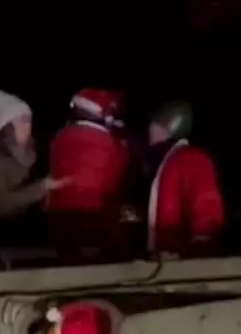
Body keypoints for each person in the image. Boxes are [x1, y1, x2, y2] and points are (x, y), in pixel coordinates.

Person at [0, 90, 67, 268]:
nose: (28, 126)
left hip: (11, 229)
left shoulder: (29, 151)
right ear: (7, 127)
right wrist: (42, 187)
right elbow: (1, 206)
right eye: (22, 121)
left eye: (29, 119)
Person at [47, 89, 131, 260]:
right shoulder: (108, 142)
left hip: (59, 218)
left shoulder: (60, 137)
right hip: (96, 217)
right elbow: (119, 174)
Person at [144, 101, 226, 259]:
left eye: (156, 124)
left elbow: (206, 203)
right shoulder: (162, 162)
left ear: (173, 126)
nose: (149, 128)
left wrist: (200, 244)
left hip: (179, 260)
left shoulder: (192, 159)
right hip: (162, 260)